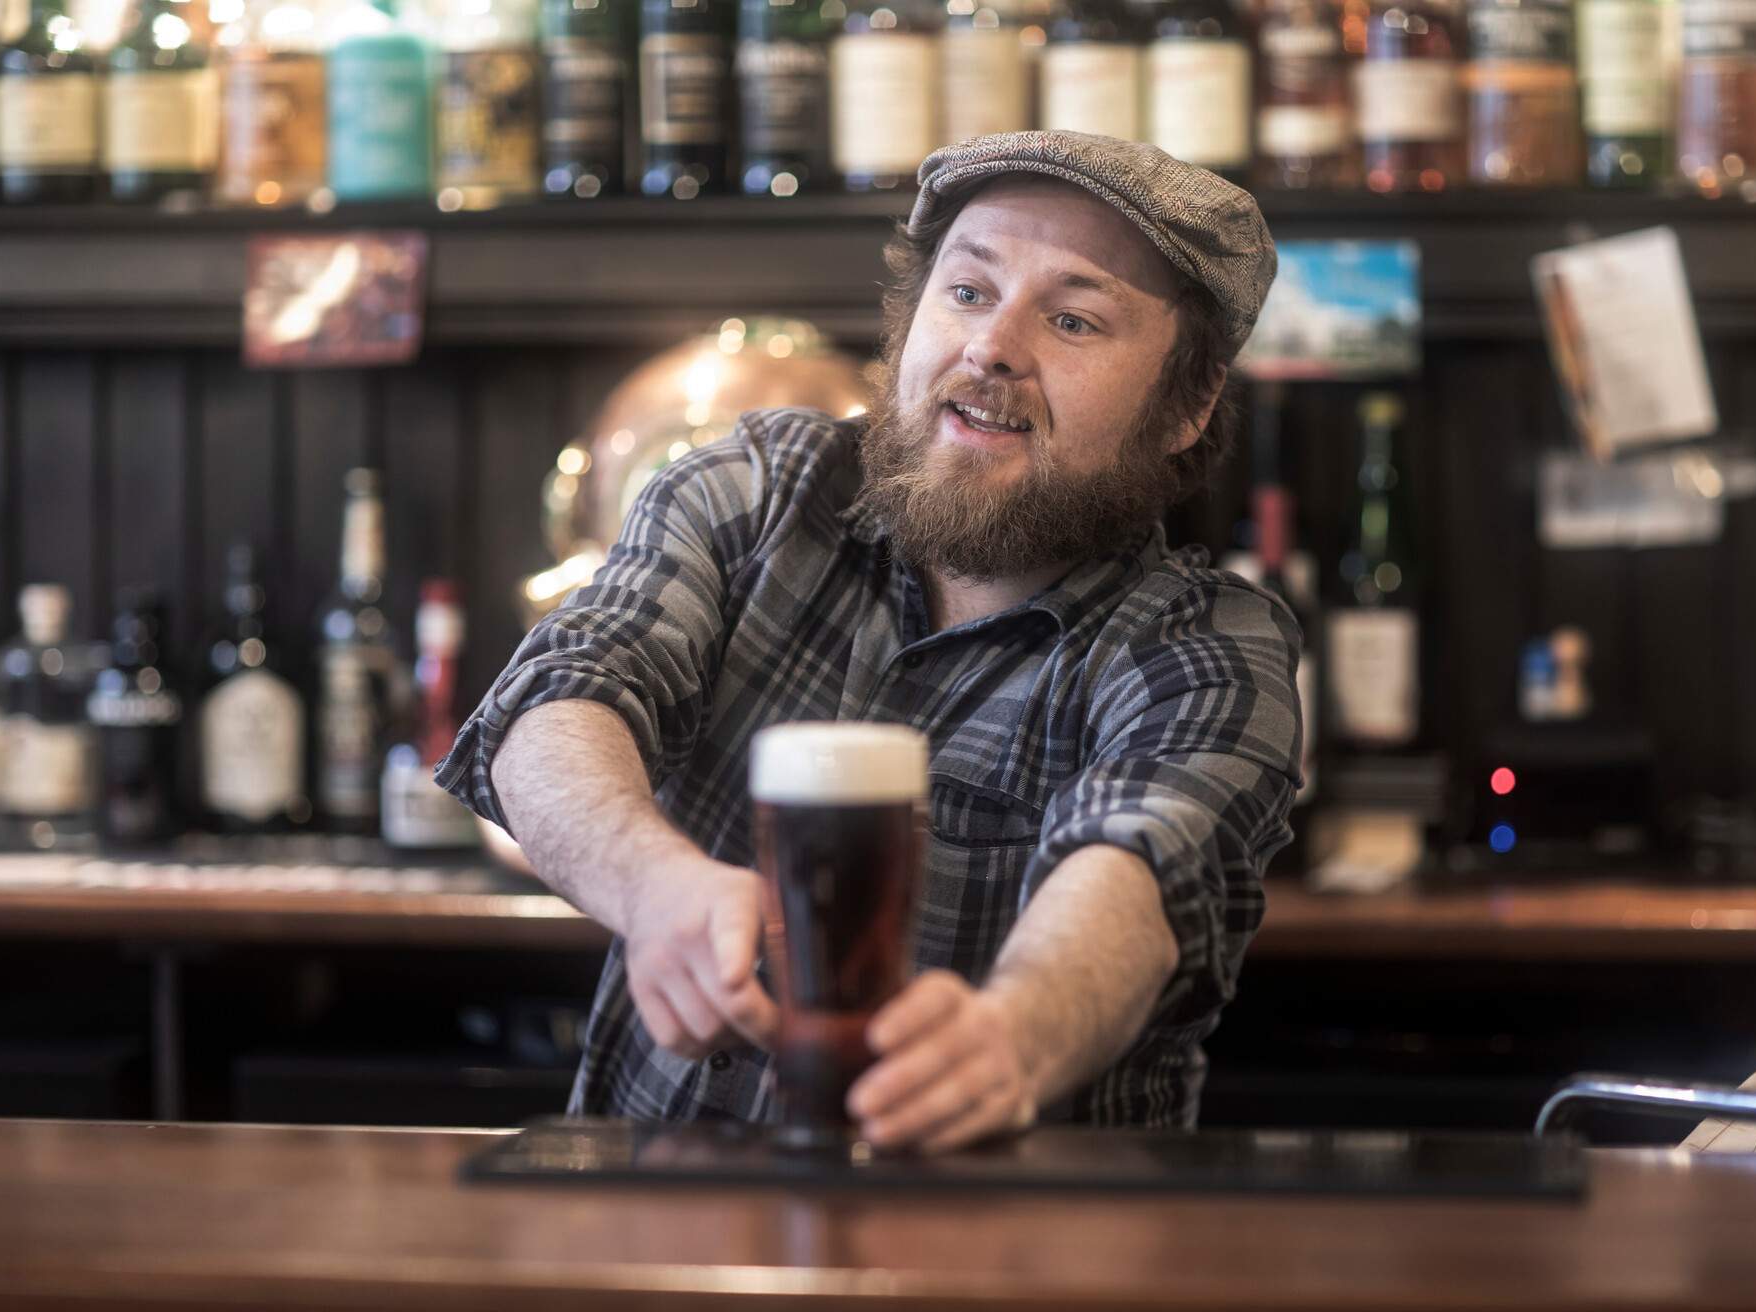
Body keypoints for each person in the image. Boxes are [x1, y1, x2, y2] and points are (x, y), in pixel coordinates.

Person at [436, 130, 1303, 1153]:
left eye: (1072, 318)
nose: (992, 347)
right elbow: (562, 699)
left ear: (1185, 410)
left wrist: (1012, 1035)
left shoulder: (1207, 645)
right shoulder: (758, 492)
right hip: (658, 1234)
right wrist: (650, 880)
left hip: (1012, 1260)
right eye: (969, 291)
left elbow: (1141, 877)